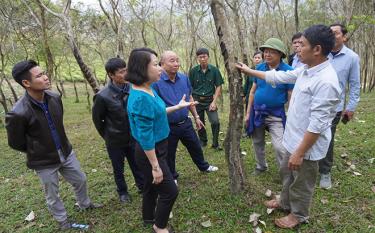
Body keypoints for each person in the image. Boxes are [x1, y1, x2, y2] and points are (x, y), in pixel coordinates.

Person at [236, 24, 341, 229]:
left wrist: (300, 152)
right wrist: (248, 71)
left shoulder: (326, 81)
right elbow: (280, 76)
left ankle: (299, 214)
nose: (297, 49)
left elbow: (317, 125)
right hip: (292, 139)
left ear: (316, 49)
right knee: (287, 174)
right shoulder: (305, 70)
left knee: (301, 182)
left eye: (302, 45)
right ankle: (284, 202)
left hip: (306, 147)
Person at [5, 60, 103, 230]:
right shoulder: (17, 113)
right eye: (39, 75)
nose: (45, 77)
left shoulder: (55, 98)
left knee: (81, 179)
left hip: (65, 151)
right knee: (52, 194)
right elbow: (16, 142)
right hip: (43, 160)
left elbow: (58, 124)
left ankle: (84, 204)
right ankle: (63, 222)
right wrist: (38, 149)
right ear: (26, 83)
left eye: (44, 73)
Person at [126, 48, 194, 233]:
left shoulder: (146, 89)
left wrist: (177, 106)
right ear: (142, 69)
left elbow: (156, 114)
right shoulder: (141, 98)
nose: (160, 69)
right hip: (151, 151)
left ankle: (149, 216)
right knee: (170, 191)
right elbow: (146, 136)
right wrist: (155, 166)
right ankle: (160, 226)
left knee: (151, 186)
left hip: (157, 147)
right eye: (155, 65)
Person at [153, 51, 218, 182]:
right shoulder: (156, 82)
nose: (176, 63)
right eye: (172, 61)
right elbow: (154, 107)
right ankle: (172, 176)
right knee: (169, 153)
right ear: (162, 64)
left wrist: (196, 117)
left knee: (195, 146)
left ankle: (203, 167)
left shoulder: (183, 78)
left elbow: (189, 98)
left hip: (185, 122)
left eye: (177, 60)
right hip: (167, 126)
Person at [92, 58, 144, 203]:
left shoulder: (133, 89)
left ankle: (142, 185)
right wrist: (108, 136)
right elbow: (98, 120)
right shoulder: (102, 96)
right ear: (111, 75)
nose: (126, 74)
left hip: (133, 137)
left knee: (137, 163)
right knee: (118, 168)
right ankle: (122, 192)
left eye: (126, 70)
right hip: (115, 140)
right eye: (121, 72)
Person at [319, 23, 361, 189]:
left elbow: (355, 84)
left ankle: (325, 172)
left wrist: (350, 107)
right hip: (314, 103)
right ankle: (311, 165)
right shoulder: (321, 52)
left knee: (327, 139)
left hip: (333, 108)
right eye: (330, 32)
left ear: (344, 37)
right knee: (311, 135)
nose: (332, 35)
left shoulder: (352, 57)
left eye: (335, 33)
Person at [244, 38, 293, 175]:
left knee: (280, 146)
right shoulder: (259, 68)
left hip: (276, 114)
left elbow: (290, 96)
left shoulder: (288, 71)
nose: (267, 55)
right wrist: (248, 113)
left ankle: (285, 173)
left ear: (280, 54)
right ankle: (261, 166)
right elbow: (252, 91)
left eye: (272, 52)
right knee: (257, 142)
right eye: (266, 51)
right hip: (258, 112)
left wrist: (291, 116)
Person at [189, 48, 224, 150]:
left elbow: (218, 86)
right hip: (197, 100)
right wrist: (192, 101)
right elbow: (189, 87)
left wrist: (214, 101)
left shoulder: (214, 70)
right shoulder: (193, 71)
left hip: (210, 100)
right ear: (197, 58)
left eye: (204, 56)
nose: (203, 59)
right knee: (199, 121)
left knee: (215, 122)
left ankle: (215, 143)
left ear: (208, 57)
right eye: (200, 57)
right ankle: (203, 141)